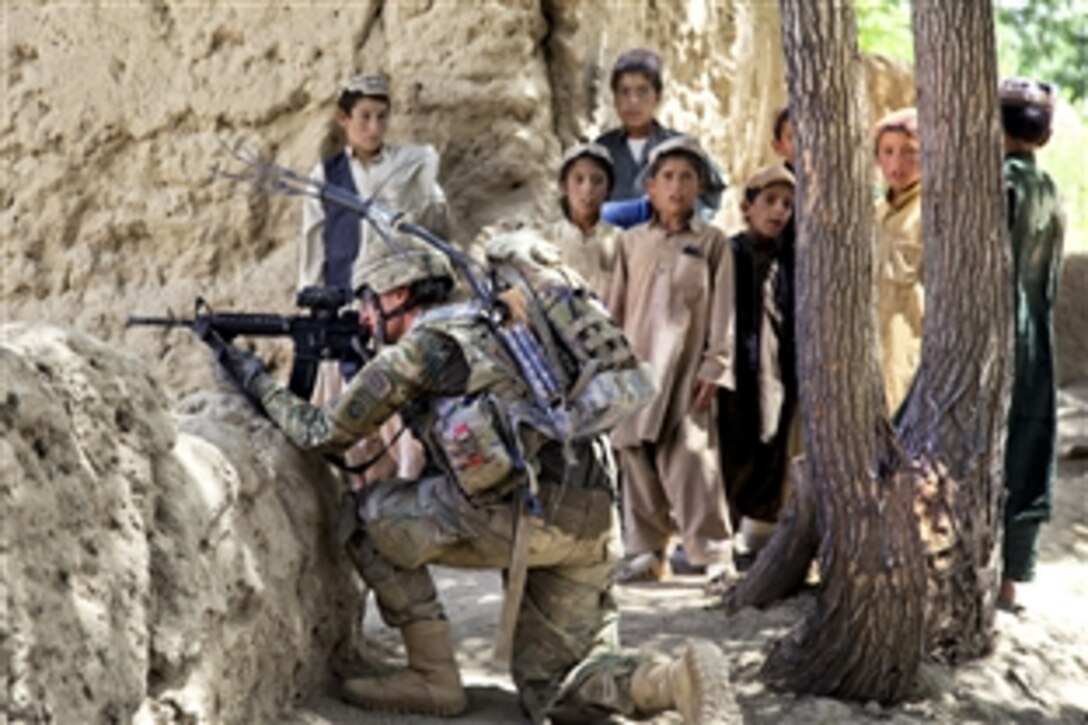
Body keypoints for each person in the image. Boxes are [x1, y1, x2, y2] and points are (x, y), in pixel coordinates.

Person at [213, 233, 731, 723]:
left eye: (368, 301)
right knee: (555, 684)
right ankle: (672, 682)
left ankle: (432, 677)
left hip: (517, 517)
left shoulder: (423, 348)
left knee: (365, 518)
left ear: (396, 291)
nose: (365, 316)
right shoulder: (499, 323)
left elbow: (322, 432)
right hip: (590, 516)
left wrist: (249, 374)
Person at [299, 72, 449, 482]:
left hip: (391, 312)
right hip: (349, 312)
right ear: (343, 119)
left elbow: (434, 208)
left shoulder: (406, 166)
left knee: (396, 415)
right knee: (349, 420)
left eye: (382, 117)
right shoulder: (326, 176)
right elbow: (314, 247)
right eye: (364, 116)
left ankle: (405, 494)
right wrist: (314, 305)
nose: (374, 127)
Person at [607, 135, 735, 584]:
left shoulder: (713, 242)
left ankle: (713, 552)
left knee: (693, 458)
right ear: (651, 187)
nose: (676, 186)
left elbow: (724, 309)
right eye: (667, 177)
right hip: (636, 364)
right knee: (635, 456)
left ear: (700, 185)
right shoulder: (631, 242)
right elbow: (614, 309)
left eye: (686, 177)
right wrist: (610, 365)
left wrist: (716, 364)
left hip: (686, 370)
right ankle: (646, 551)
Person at [998, 77, 1065, 612]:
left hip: (997, 336)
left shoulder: (999, 185)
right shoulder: (1049, 190)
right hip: (1036, 337)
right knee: (1027, 448)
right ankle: (1012, 576)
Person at [718, 165, 798, 570]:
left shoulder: (793, 259)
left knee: (771, 445)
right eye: (769, 201)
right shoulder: (728, 253)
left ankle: (756, 540)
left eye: (787, 204)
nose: (778, 211)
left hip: (779, 371)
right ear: (747, 206)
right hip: (734, 370)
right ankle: (722, 537)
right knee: (732, 448)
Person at [595, 48, 725, 227]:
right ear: (615, 100)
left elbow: (714, 186)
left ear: (658, 98)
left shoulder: (680, 146)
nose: (633, 101)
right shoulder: (602, 150)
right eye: (624, 92)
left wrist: (690, 220)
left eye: (642, 92)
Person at [873, 107, 924, 416]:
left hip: (907, 348)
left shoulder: (928, 212)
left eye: (910, 152)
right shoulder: (876, 213)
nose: (897, 163)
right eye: (888, 151)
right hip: (871, 346)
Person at [546, 142, 620, 298]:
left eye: (597, 181)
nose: (587, 189)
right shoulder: (546, 240)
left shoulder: (622, 241)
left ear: (609, 188)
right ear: (564, 186)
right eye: (578, 179)